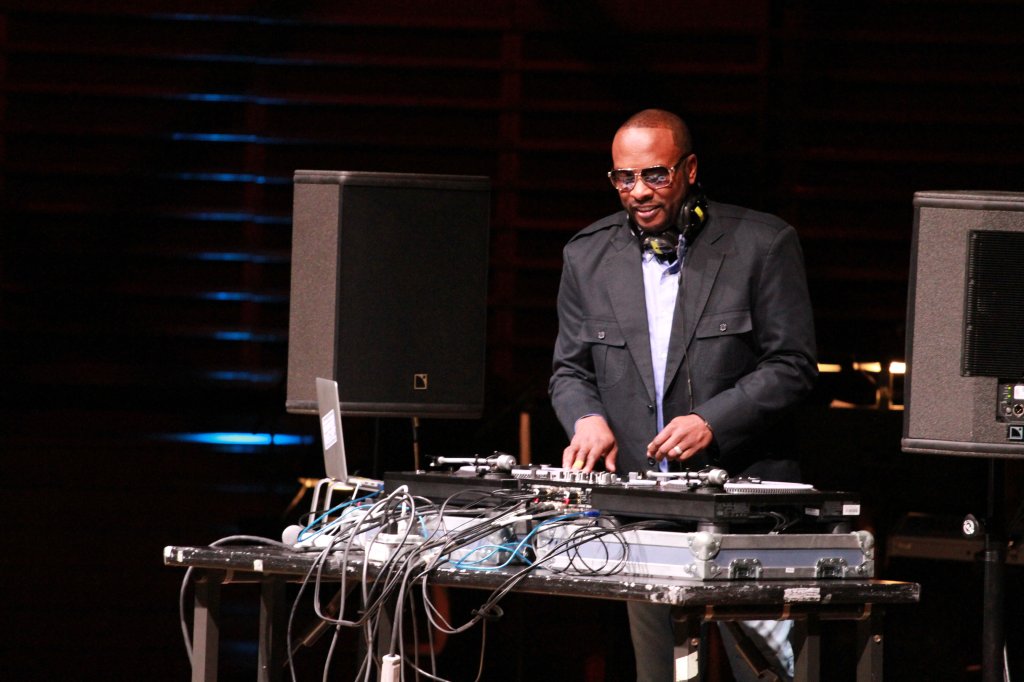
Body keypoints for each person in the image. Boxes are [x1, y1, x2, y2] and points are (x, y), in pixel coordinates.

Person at [548, 109, 818, 681]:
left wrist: (714, 421)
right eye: (624, 178)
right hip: (644, 514)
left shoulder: (763, 244)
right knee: (661, 675)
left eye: (655, 175)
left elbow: (793, 366)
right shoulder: (586, 257)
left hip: (748, 510)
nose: (638, 191)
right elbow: (569, 371)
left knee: (768, 674)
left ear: (690, 170)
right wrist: (587, 418)